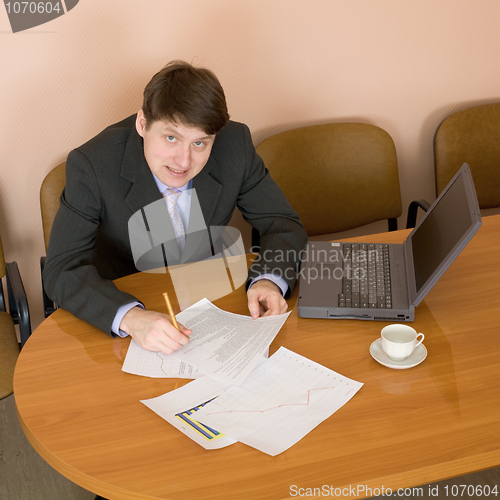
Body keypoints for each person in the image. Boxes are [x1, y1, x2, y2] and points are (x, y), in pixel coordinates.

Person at [44, 60, 307, 355]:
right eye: (171, 138)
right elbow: (61, 269)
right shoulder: (92, 164)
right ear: (142, 124)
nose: (183, 162)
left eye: (200, 144)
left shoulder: (235, 145)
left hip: (207, 304)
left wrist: (269, 280)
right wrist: (131, 318)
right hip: (125, 319)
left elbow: (281, 222)